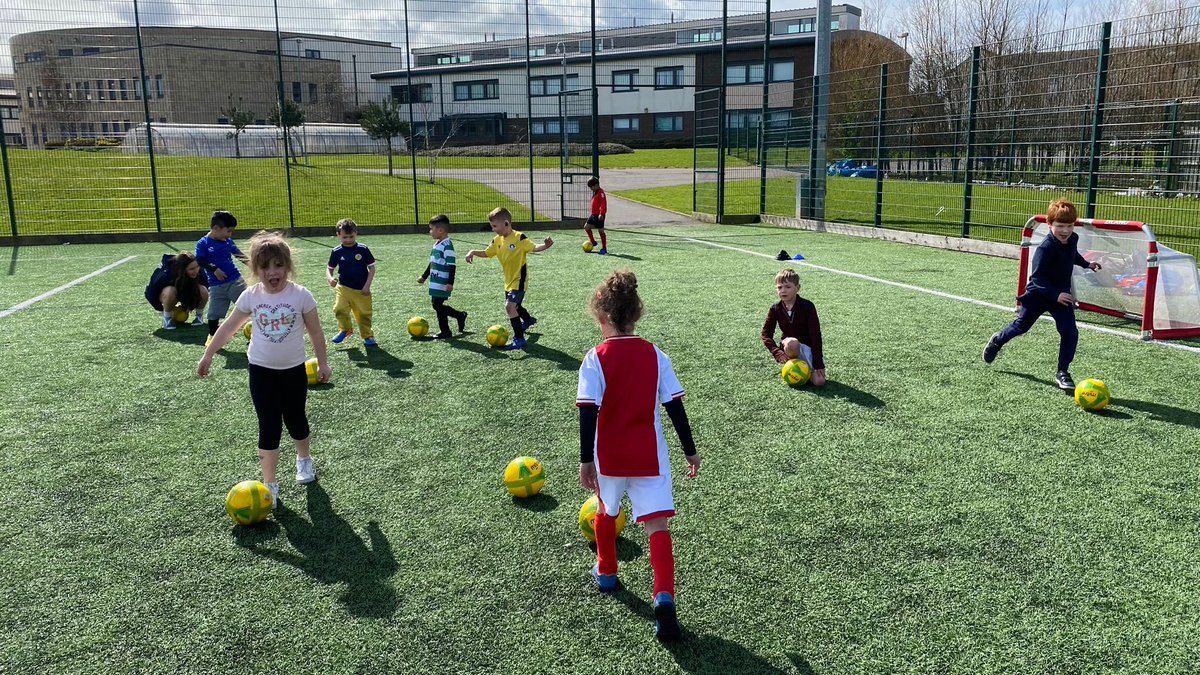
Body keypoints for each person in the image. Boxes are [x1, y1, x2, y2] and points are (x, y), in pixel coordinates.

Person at [576, 269, 700, 642]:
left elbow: (587, 410)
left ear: (601, 317)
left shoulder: (595, 358)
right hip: (651, 457)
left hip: (610, 458)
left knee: (606, 511)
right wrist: (690, 451)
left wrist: (586, 460)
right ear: (636, 316)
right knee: (657, 526)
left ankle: (607, 571)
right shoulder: (655, 354)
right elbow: (675, 407)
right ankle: (664, 597)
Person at [197, 231, 331, 507]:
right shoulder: (251, 296)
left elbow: (316, 333)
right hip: (261, 371)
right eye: (265, 266)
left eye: (278, 265)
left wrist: (323, 362)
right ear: (256, 269)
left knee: (295, 418)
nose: (273, 272)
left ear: (288, 266)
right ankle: (269, 484)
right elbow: (229, 328)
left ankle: (304, 460)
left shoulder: (301, 295)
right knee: (268, 423)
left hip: (294, 370)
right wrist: (208, 354)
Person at [983, 198, 1101, 391]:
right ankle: (997, 340)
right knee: (1021, 327)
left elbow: (1072, 256)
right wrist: (1055, 295)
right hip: (1039, 295)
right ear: (1049, 224)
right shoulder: (1045, 248)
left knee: (1070, 332)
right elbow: (1037, 278)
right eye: (1060, 226)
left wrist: (1086, 263)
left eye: (1070, 225)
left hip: (1060, 296)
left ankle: (1063, 372)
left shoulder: (1073, 239)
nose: (1065, 230)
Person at [464, 207, 553, 350]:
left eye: (495, 226)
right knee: (516, 306)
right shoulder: (497, 240)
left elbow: (534, 247)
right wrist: (472, 252)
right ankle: (528, 319)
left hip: (519, 280)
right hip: (508, 281)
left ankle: (519, 339)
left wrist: (546, 245)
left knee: (510, 306)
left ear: (506, 223)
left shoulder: (519, 237)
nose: (493, 229)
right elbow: (487, 253)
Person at [761, 269, 826, 387]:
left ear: (797, 288)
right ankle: (791, 367)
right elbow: (765, 334)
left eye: (787, 287)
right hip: (789, 346)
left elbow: (815, 335)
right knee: (792, 343)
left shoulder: (808, 306)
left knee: (819, 382)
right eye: (779, 287)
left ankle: (804, 370)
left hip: (806, 346)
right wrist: (778, 353)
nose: (783, 291)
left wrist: (818, 362)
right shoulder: (775, 309)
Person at [195, 210, 248, 346]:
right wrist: (214, 269)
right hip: (216, 286)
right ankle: (213, 337)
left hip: (236, 281)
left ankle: (256, 337)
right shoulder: (203, 243)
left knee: (250, 307)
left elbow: (239, 255)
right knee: (213, 315)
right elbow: (200, 260)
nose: (229, 235)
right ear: (215, 228)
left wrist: (254, 265)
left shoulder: (227, 241)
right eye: (228, 231)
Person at [326, 218, 378, 347]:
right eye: (344, 237)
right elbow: (329, 268)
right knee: (339, 309)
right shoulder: (336, 251)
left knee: (364, 315)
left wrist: (367, 286)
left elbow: (372, 268)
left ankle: (368, 336)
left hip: (361, 289)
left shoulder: (363, 249)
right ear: (338, 235)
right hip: (343, 287)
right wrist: (330, 279)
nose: (348, 240)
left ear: (356, 233)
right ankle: (345, 329)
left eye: (351, 236)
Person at [417, 214, 467, 339]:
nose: (430, 232)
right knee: (436, 304)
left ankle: (446, 330)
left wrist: (450, 283)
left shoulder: (447, 245)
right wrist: (424, 276)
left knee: (437, 304)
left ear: (440, 230)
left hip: (443, 281)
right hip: (435, 281)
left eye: (431, 229)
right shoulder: (437, 244)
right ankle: (459, 316)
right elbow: (432, 263)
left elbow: (452, 266)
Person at [145, 251, 209, 330]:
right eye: (191, 269)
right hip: (169, 294)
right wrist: (161, 309)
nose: (196, 270)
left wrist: (188, 305)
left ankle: (199, 316)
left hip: (186, 291)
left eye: (197, 266)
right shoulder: (165, 273)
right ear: (182, 269)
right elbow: (150, 293)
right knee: (170, 291)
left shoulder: (200, 271)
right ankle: (167, 318)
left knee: (203, 290)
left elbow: (206, 288)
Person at [584, 176, 608, 255]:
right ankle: (593, 241)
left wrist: (601, 213)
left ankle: (604, 248)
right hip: (593, 214)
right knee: (586, 227)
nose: (591, 189)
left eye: (592, 187)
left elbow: (603, 204)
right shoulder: (596, 192)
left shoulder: (601, 193)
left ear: (596, 185)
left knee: (601, 231)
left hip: (599, 215)